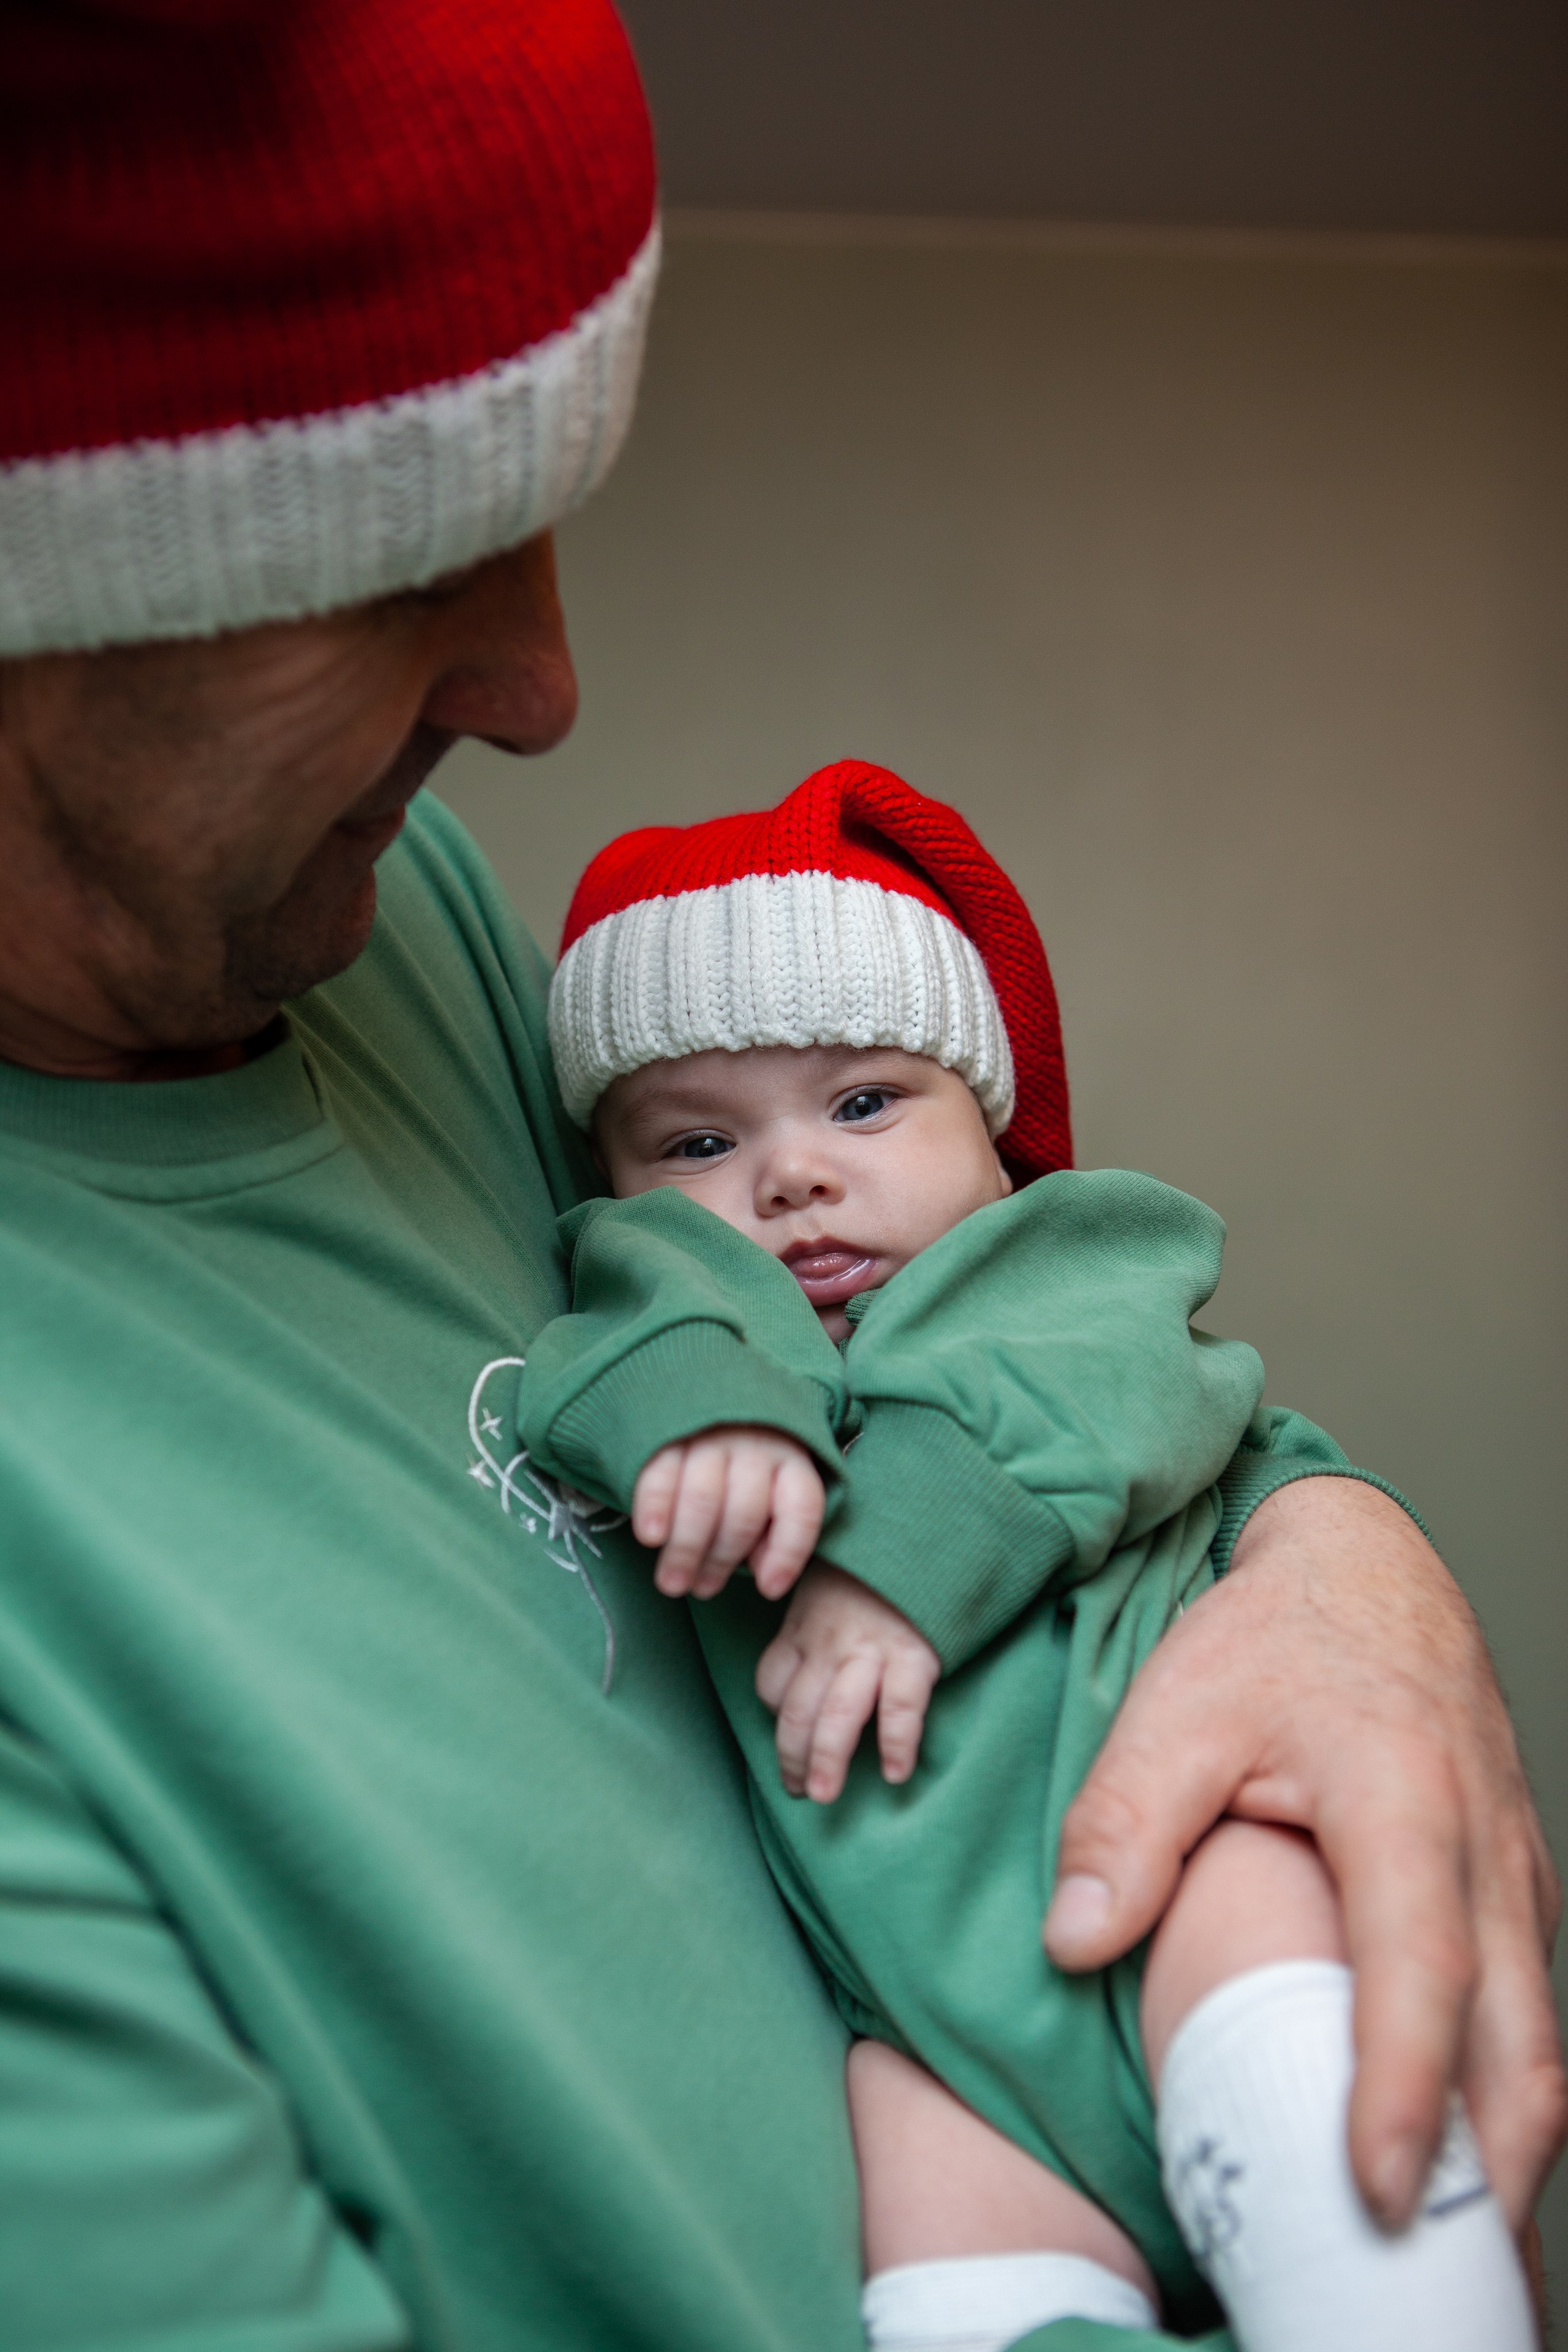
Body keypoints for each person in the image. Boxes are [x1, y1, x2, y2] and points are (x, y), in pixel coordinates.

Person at [0, 4, 1558, 2348]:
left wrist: (1336, 1556)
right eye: (398, 553)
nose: (539, 685)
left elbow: (1028, 1331)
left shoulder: (375, 922)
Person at [513, 761, 1537, 2350]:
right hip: (934, 2039)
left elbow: (1116, 1390)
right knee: (944, 2279)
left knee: (1316, 2075)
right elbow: (595, 1354)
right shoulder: (670, 1301)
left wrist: (891, 1559)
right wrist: (704, 1415)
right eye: (697, 1142)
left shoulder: (1057, 1259)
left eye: (864, 1103)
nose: (788, 1177)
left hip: (1178, 1862)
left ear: (989, 1125)